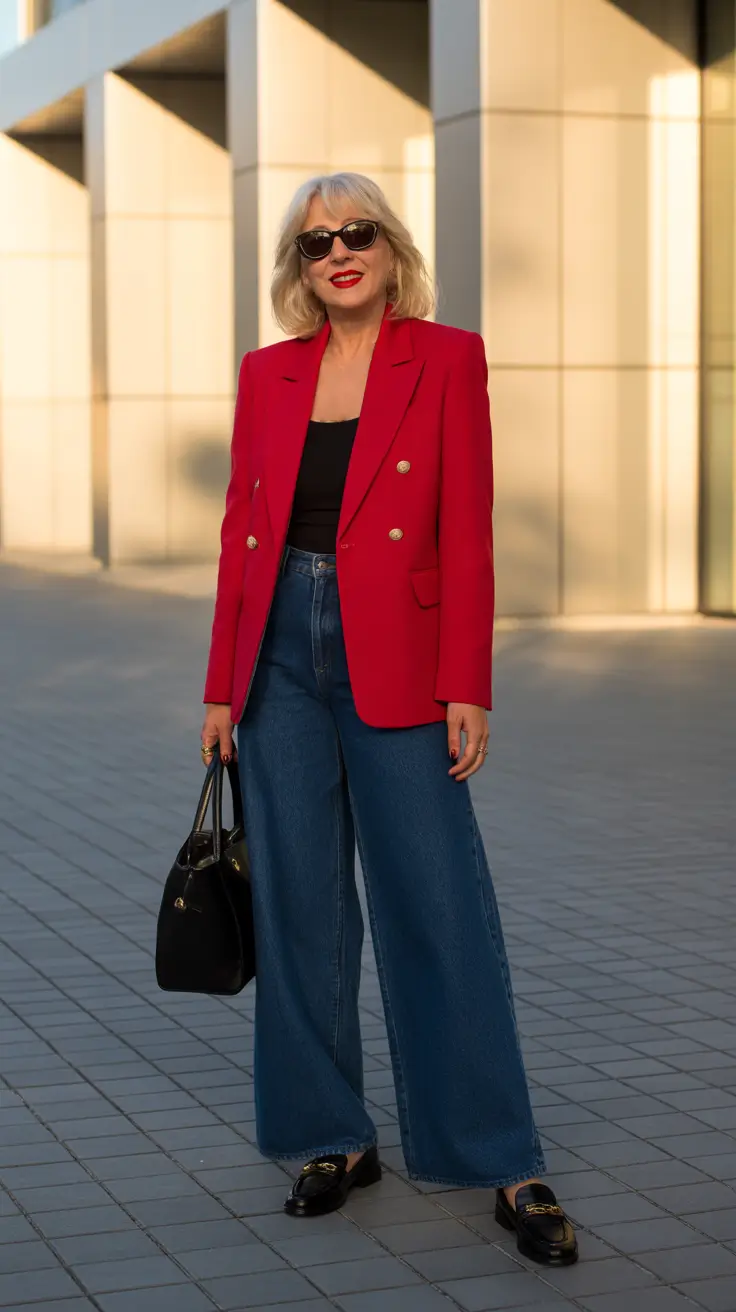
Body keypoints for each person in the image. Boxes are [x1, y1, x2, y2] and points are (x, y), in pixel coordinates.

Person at [200, 171, 578, 1267]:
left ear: (390, 247)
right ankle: (332, 1137)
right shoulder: (267, 373)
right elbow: (242, 532)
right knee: (304, 912)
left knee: (437, 904)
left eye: (358, 232)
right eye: (318, 243)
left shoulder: (446, 355)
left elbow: (467, 523)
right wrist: (222, 686)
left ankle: (501, 1155)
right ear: (299, 269)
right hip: (278, 657)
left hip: (401, 660)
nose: (340, 253)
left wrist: (468, 680)